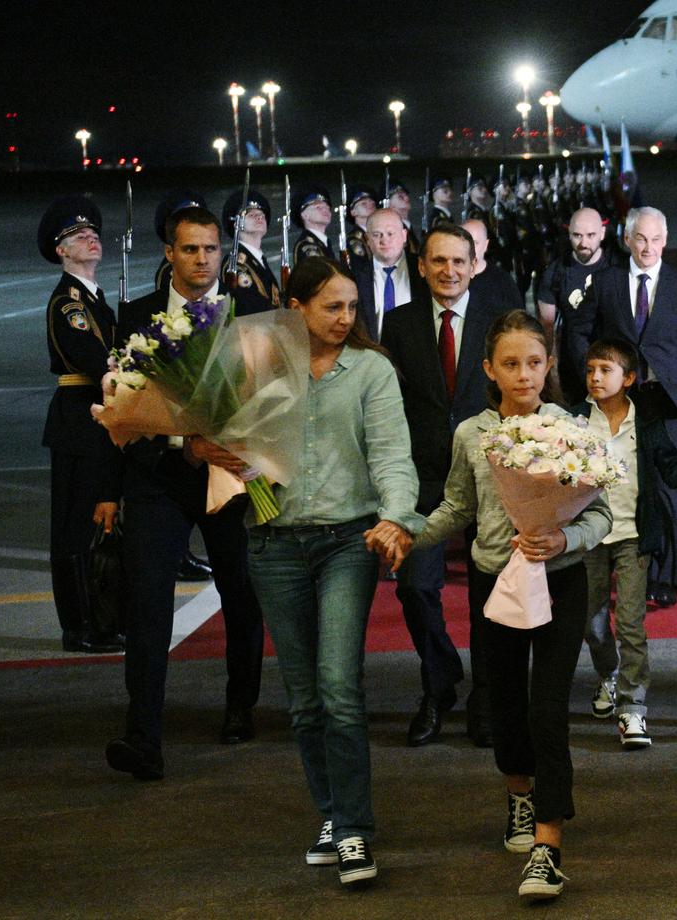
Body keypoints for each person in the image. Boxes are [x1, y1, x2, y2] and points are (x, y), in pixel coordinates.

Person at [388, 310, 613, 900]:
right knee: (504, 707)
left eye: (534, 363)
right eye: (510, 364)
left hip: (559, 581)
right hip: (496, 584)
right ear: (488, 369)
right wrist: (409, 531)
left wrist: (564, 538)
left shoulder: (571, 427)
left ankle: (548, 844)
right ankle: (519, 796)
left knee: (547, 709)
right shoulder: (471, 434)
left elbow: (601, 513)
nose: (524, 375)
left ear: (549, 367)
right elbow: (457, 508)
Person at [246, 257, 423, 888]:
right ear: (296, 308)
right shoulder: (258, 365)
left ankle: (353, 831)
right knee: (302, 700)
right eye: (332, 307)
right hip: (271, 544)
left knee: (338, 688)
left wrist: (397, 518)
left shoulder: (372, 370)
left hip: (349, 542)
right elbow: (224, 448)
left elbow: (394, 458)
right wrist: (201, 446)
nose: (346, 318)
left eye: (352, 307)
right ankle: (330, 813)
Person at [104, 205, 266, 781]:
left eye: (211, 249)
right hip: (159, 482)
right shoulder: (137, 316)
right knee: (147, 603)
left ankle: (241, 705)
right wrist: (180, 447)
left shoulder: (252, 313)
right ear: (169, 254)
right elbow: (120, 412)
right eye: (190, 249)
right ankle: (143, 735)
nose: (202, 259)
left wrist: (246, 451)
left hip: (231, 478)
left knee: (241, 594)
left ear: (223, 253)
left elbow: (276, 401)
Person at [379, 224, 507, 747]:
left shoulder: (499, 323)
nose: (448, 271)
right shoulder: (400, 323)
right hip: (424, 475)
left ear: (475, 265)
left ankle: (487, 698)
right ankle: (439, 683)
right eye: (438, 261)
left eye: (459, 261)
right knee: (414, 586)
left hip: (490, 472)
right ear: (422, 265)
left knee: (488, 594)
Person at [568, 206, 677, 607]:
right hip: (618, 399)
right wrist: (595, 371)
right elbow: (578, 331)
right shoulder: (607, 280)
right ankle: (616, 566)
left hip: (666, 399)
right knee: (618, 483)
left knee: (666, 486)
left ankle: (665, 574)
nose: (648, 247)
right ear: (628, 240)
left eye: (655, 239)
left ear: (664, 241)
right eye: (640, 239)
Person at [572, 338, 677, 747]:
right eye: (590, 370)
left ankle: (633, 709)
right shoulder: (575, 420)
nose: (595, 378)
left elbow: (667, 462)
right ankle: (608, 676)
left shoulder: (645, 422)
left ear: (629, 378)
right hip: (590, 535)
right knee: (592, 621)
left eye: (605, 370)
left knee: (632, 624)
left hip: (634, 534)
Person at [38, 197, 124, 653]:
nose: (92, 239)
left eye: (93, 234)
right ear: (61, 252)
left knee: (101, 525)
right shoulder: (67, 304)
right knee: (75, 528)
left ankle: (103, 616)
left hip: (100, 417)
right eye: (78, 237)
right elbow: (95, 359)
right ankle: (77, 625)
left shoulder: (95, 297)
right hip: (79, 419)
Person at [536, 207, 616, 405]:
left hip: (613, 360)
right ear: (568, 234)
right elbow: (547, 327)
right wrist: (548, 371)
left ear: (602, 233)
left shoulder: (618, 267)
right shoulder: (555, 272)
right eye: (577, 235)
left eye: (591, 235)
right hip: (572, 364)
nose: (583, 243)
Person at [353, 207, 425, 342]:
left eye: (390, 233)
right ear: (367, 239)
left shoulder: (423, 269)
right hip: (374, 355)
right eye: (376, 235)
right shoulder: (354, 276)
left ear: (404, 235)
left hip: (416, 354)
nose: (384, 240)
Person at [222, 188, 280, 317]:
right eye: (252, 215)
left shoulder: (259, 260)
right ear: (236, 223)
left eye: (262, 215)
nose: (259, 218)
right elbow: (248, 304)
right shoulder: (235, 262)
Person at [463, 217, 526, 310]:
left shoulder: (503, 282)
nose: (470, 248)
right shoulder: (450, 277)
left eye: (476, 243)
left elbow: (517, 319)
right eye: (465, 242)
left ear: (486, 245)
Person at [291, 185, 336, 271]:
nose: (326, 210)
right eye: (318, 207)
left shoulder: (324, 243)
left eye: (327, 207)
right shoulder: (306, 246)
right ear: (304, 215)